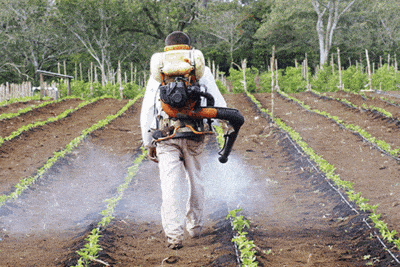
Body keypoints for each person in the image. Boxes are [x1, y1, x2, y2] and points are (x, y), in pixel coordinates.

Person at [140, 31, 227, 249]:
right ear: (189, 47)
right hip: (194, 133)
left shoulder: (159, 73)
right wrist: (221, 127)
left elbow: (147, 111)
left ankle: (174, 235)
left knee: (171, 185)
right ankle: (194, 227)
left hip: (166, 135)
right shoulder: (200, 70)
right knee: (195, 180)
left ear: (166, 48)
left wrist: (148, 142)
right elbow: (218, 103)